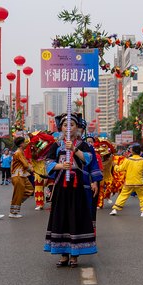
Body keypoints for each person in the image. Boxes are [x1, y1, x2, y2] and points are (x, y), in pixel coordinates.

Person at [44, 113, 97, 267]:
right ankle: (63, 253)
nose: (69, 128)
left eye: (72, 125)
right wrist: (61, 166)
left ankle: (75, 254)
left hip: (77, 187)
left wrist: (73, 149)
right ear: (61, 127)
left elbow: (88, 159)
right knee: (61, 218)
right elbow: (48, 163)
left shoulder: (83, 145)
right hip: (61, 187)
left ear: (77, 127)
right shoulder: (56, 145)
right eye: (66, 125)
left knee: (76, 217)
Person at [110, 143, 143, 217]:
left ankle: (115, 209)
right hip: (139, 183)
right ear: (140, 151)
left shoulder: (128, 160)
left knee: (123, 195)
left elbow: (120, 169)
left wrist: (115, 166)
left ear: (132, 151)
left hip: (128, 183)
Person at [9, 136, 34, 218]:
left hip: (22, 175)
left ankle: (16, 201)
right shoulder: (18, 152)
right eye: (25, 142)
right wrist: (31, 168)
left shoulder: (21, 152)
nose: (26, 144)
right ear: (21, 144)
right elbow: (25, 164)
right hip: (18, 175)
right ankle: (13, 212)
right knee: (18, 194)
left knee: (29, 190)